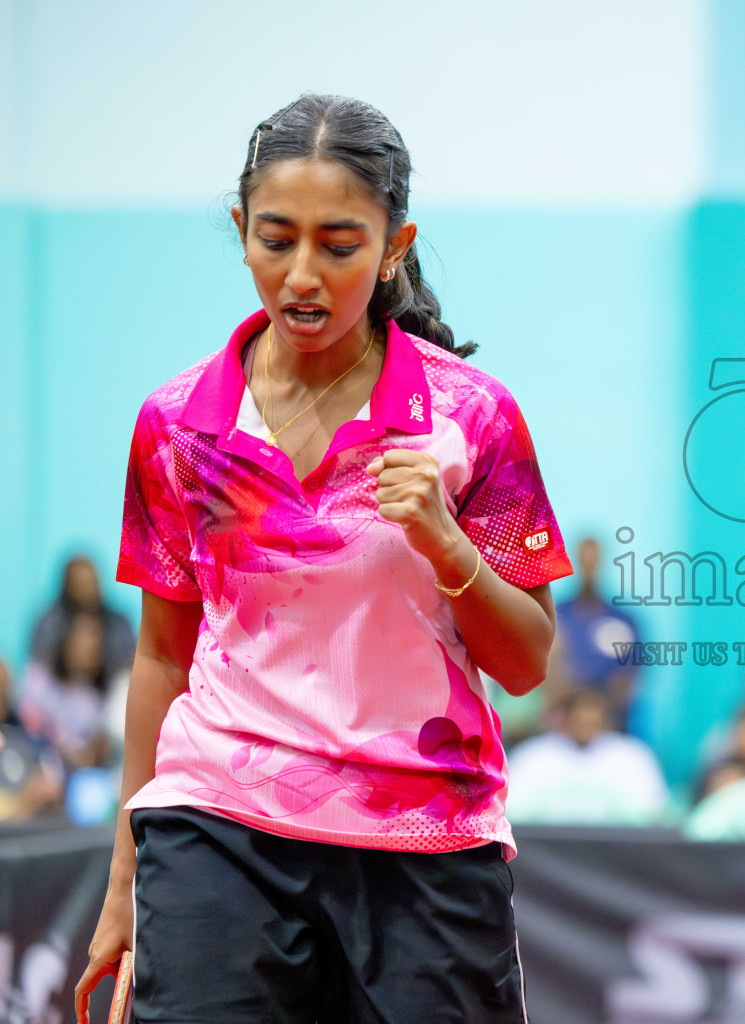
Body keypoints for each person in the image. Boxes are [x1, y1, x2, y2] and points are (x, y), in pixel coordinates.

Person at [75, 94, 573, 1024]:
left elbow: (526, 661)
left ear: (393, 245)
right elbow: (159, 656)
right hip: (217, 824)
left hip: (424, 842)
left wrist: (446, 543)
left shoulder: (473, 418)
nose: (302, 275)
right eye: (275, 240)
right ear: (241, 232)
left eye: (339, 245)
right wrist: (123, 879)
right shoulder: (179, 425)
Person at [502, 689, 669, 824]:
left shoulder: (632, 757)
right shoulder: (533, 756)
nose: (585, 725)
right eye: (579, 718)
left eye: (592, 719)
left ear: (606, 720)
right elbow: (514, 812)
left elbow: (650, 813)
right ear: (565, 718)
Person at [553, 536, 644, 731]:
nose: (588, 568)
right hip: (562, 721)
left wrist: (596, 708)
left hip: (613, 722)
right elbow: (547, 672)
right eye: (584, 561)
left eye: (593, 560)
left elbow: (630, 676)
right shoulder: (556, 616)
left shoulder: (624, 620)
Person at [19, 612, 129, 770]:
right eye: (83, 639)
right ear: (66, 640)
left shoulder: (97, 697)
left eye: (97, 645)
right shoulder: (39, 679)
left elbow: (95, 750)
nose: (91, 648)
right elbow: (28, 727)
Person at [30, 555, 137, 680]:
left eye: (91, 583)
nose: (88, 590)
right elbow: (40, 664)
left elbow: (127, 668)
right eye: (81, 584)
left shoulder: (117, 624)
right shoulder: (50, 623)